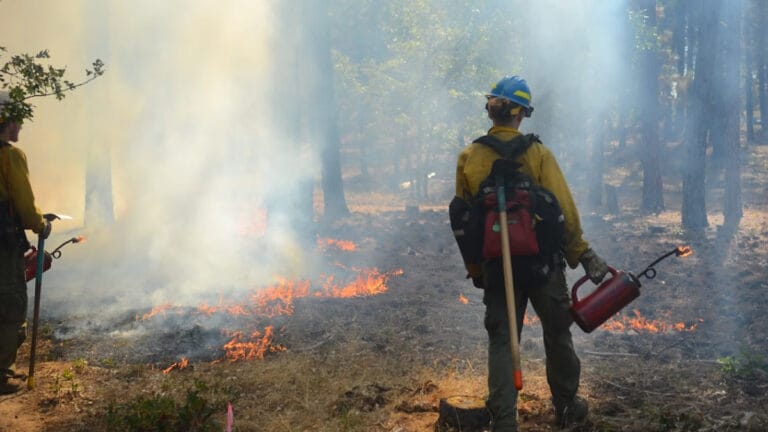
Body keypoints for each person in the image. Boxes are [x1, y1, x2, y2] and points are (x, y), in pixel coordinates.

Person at [453, 76, 609, 430]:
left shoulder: (469, 157)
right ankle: (567, 407)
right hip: (543, 266)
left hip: (496, 266)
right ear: (521, 114)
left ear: (491, 110)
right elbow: (564, 210)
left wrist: (477, 269)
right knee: (557, 333)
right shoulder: (538, 154)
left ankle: (505, 421)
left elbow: (466, 220)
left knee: (503, 342)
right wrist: (582, 254)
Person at [0, 91, 51, 394]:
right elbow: (24, 204)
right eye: (16, 122)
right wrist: (40, 225)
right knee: (9, 304)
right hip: (3, 247)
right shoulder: (10, 156)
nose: (19, 128)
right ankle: (2, 374)